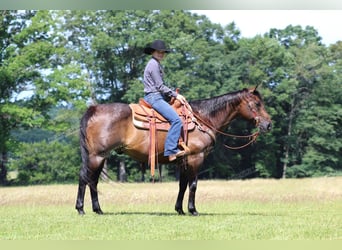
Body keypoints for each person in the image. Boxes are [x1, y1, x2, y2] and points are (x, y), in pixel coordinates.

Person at [143, 39, 188, 162]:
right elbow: (160, 86)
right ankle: (171, 150)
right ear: (153, 52)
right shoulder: (153, 64)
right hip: (154, 97)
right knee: (176, 121)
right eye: (158, 52)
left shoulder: (156, 63)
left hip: (156, 96)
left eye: (163, 52)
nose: (161, 54)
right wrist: (176, 95)